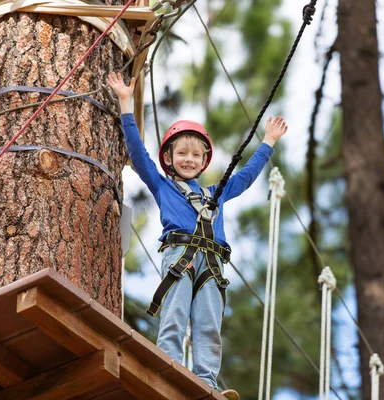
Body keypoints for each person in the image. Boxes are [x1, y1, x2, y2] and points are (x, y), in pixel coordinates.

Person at [107, 72, 288, 399]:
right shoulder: (163, 186)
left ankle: (206, 383)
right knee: (174, 316)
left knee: (208, 326)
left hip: (213, 264)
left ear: (205, 161)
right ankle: (169, 366)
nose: (189, 159)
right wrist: (125, 104)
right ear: (168, 159)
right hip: (180, 257)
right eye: (182, 154)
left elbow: (245, 177)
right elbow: (137, 153)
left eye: (196, 155)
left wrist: (268, 142)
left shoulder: (214, 194)